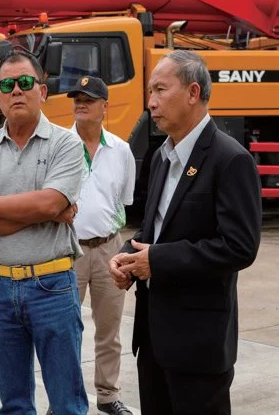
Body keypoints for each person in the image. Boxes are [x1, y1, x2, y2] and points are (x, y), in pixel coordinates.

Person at [109, 50, 261, 415]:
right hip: (153, 338)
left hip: (199, 343)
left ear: (193, 92)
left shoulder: (230, 159)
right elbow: (155, 229)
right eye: (150, 91)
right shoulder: (162, 155)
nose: (151, 102)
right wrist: (130, 254)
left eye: (160, 90)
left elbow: (239, 247)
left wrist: (155, 261)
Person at [0, 50, 88, 415]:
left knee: (67, 404)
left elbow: (48, 204)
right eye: (6, 85)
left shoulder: (66, 143)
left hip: (53, 287)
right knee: (14, 405)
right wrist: (46, 209)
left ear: (43, 91)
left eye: (25, 83)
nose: (16, 90)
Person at [67, 77, 135, 415]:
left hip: (109, 248)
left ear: (105, 107)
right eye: (77, 98)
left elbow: (123, 201)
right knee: (65, 331)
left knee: (109, 330)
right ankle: (65, 398)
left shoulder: (121, 150)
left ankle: (108, 396)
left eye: (89, 99)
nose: (81, 103)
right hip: (68, 250)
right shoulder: (60, 145)